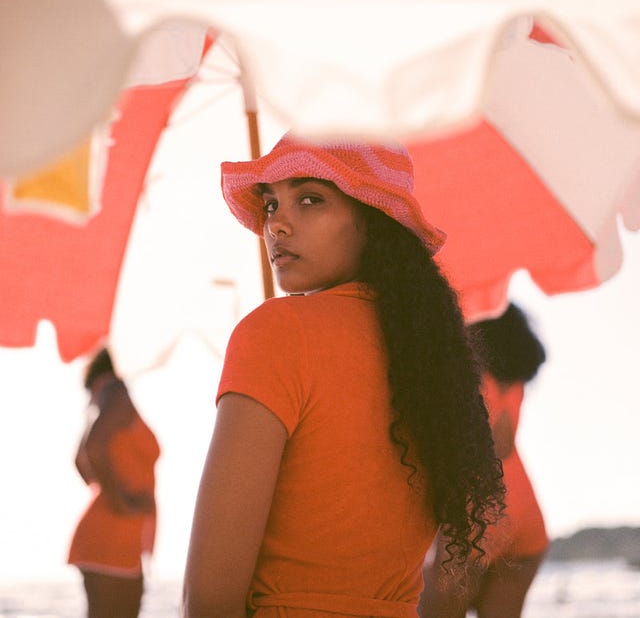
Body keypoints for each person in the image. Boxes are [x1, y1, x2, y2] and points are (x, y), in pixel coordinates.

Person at [183, 133, 505, 618]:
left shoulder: (275, 334)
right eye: (270, 204)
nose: (278, 226)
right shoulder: (430, 359)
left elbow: (208, 600)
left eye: (310, 199)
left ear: (374, 221)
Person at [420, 303, 548, 618]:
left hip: (477, 507)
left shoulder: (465, 370)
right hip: (523, 508)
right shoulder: (513, 379)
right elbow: (503, 442)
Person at [68, 347, 160, 618]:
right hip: (113, 535)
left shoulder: (102, 396)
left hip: (110, 535)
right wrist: (121, 500)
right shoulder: (117, 393)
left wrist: (111, 492)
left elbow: (80, 459)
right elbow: (93, 450)